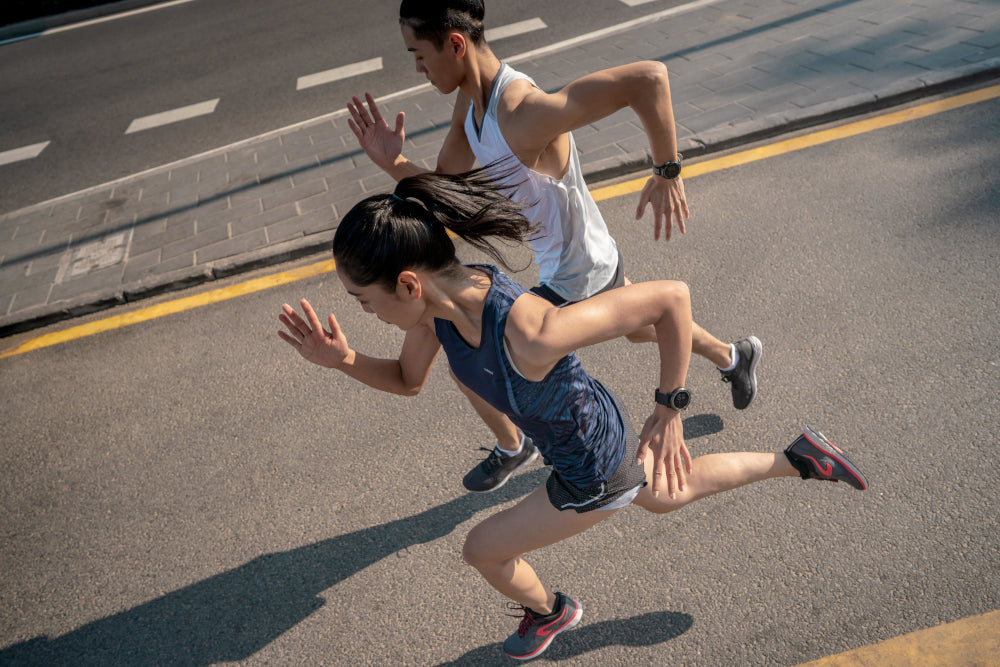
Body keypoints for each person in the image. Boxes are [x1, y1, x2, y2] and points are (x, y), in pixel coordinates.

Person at [276, 170, 869, 661]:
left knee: (483, 550)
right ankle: (800, 459)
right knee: (665, 493)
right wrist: (345, 359)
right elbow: (408, 381)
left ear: (407, 285)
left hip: (587, 466)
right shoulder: (438, 313)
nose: (365, 311)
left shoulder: (528, 333)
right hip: (587, 430)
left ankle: (551, 613)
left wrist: (670, 409)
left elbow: (672, 298)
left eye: (362, 301)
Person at [345, 0, 763, 495]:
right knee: (639, 328)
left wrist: (666, 170)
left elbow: (647, 79)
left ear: (455, 44)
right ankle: (733, 357)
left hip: (580, 271)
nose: (416, 68)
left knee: (467, 344)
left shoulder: (521, 113)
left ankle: (519, 445)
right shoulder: (471, 107)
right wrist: (394, 162)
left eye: (418, 54)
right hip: (564, 263)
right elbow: (447, 192)